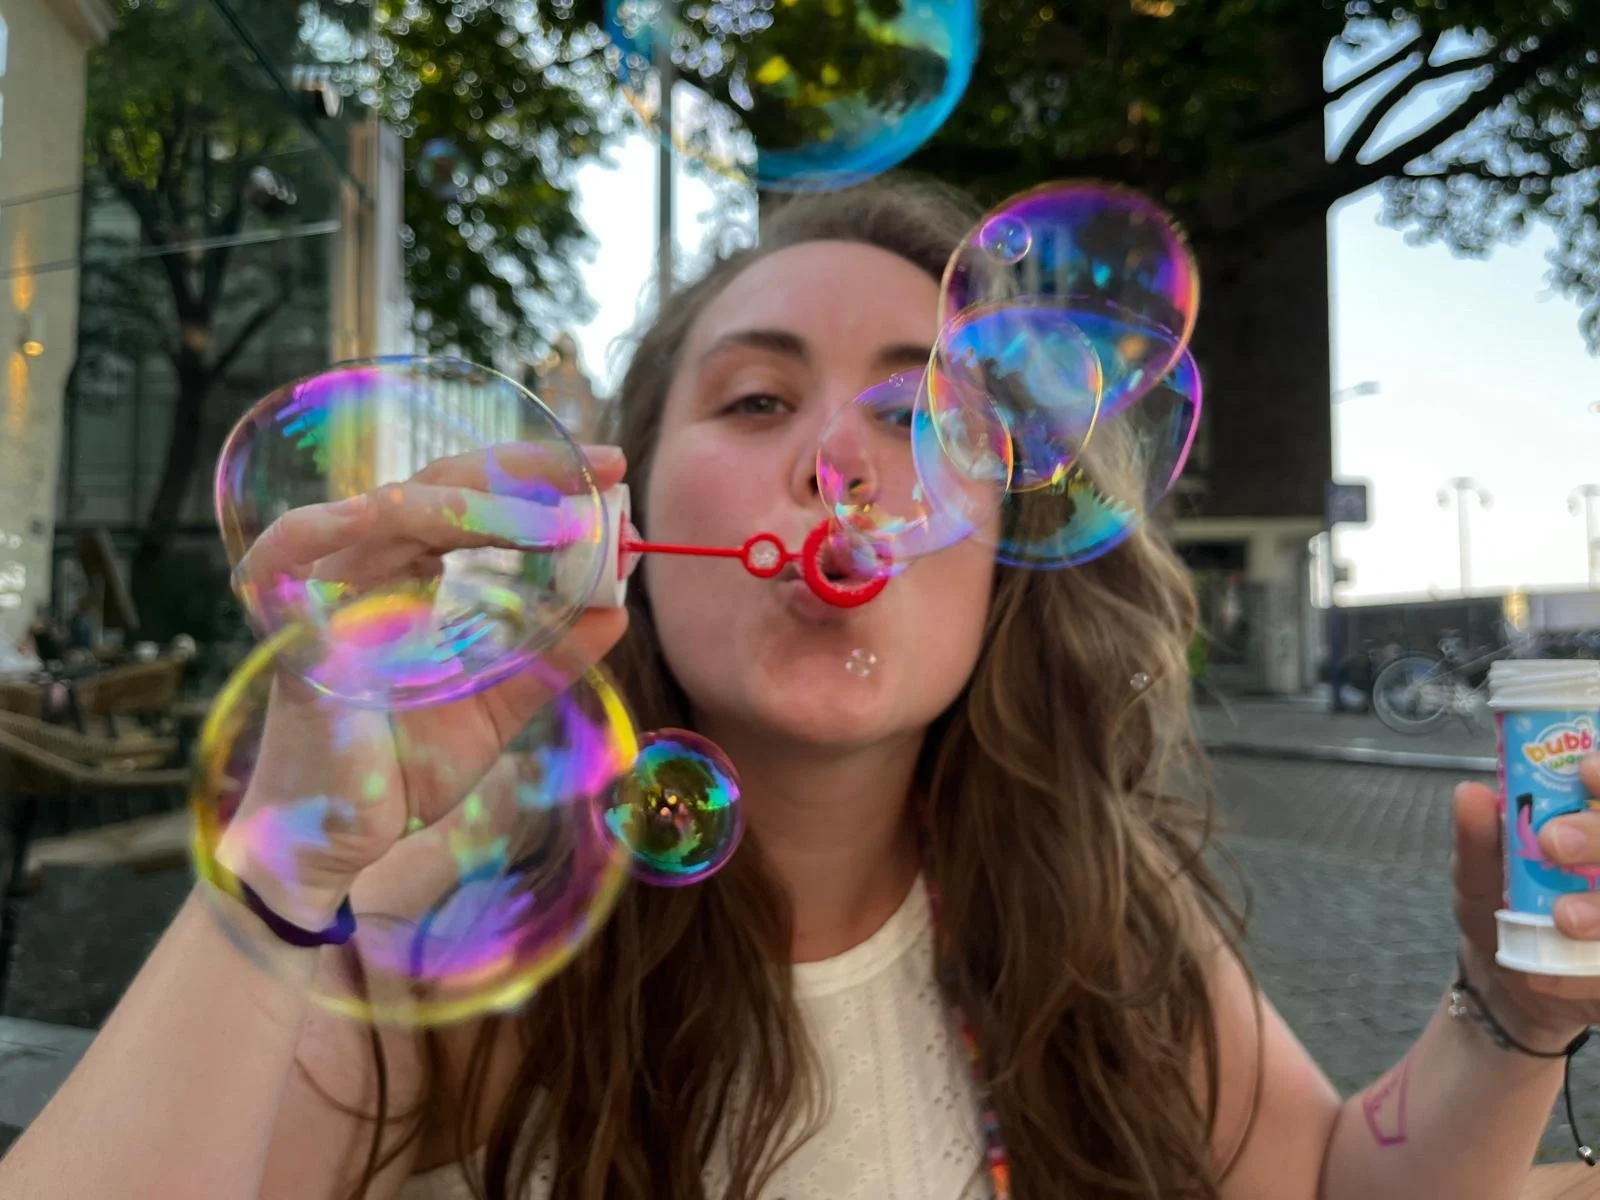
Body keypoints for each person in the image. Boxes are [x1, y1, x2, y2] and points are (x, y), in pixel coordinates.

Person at [3, 179, 1599, 1200]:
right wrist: (291, 858)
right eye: (760, 396)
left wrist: (1515, 1025)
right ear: (626, 526)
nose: (840, 462)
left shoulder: (1096, 922)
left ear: (1007, 562)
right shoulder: (445, 917)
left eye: (923, 419)